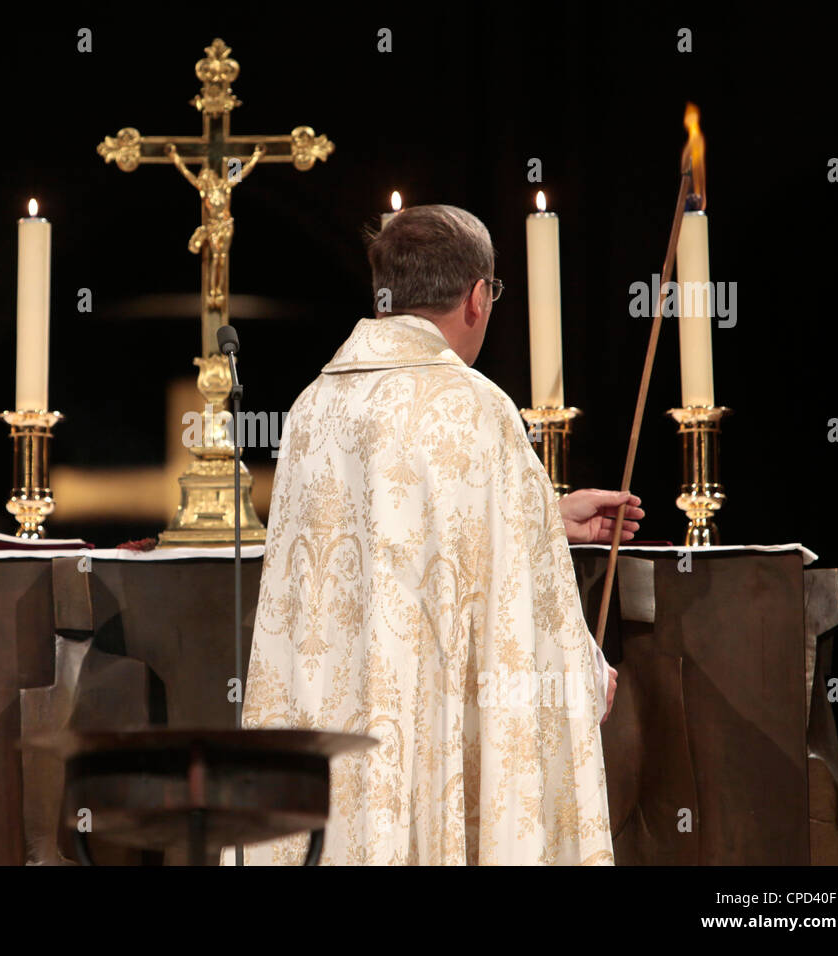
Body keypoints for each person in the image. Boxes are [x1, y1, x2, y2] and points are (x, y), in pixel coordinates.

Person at [234, 205, 642, 865]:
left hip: (338, 725)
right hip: (430, 724)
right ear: (478, 297)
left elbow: (377, 545)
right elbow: (515, 604)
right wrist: (582, 674)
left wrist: (545, 512)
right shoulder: (476, 408)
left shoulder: (313, 406)